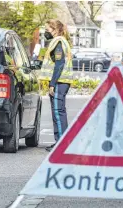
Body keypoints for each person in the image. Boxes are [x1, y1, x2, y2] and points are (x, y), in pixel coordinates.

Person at [42, 19, 74, 152]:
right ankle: (59, 142)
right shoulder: (60, 41)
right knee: (58, 112)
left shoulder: (58, 42)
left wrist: (52, 84)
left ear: (54, 29)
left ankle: (61, 144)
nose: (46, 32)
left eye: (47, 29)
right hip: (61, 82)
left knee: (58, 112)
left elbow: (59, 64)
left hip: (60, 82)